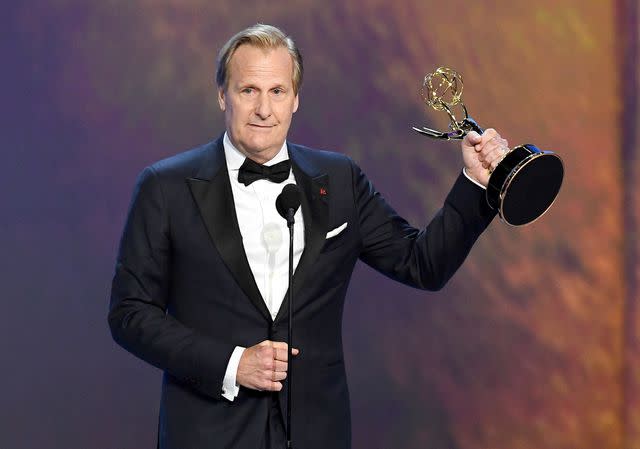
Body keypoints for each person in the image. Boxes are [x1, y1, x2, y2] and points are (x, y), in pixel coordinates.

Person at [109, 23, 508, 449]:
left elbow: (423, 264)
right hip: (207, 433)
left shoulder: (339, 180)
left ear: (296, 99)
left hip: (317, 432)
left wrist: (474, 183)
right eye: (249, 91)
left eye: (278, 91)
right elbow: (130, 314)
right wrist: (232, 364)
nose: (265, 109)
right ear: (223, 95)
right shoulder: (165, 186)